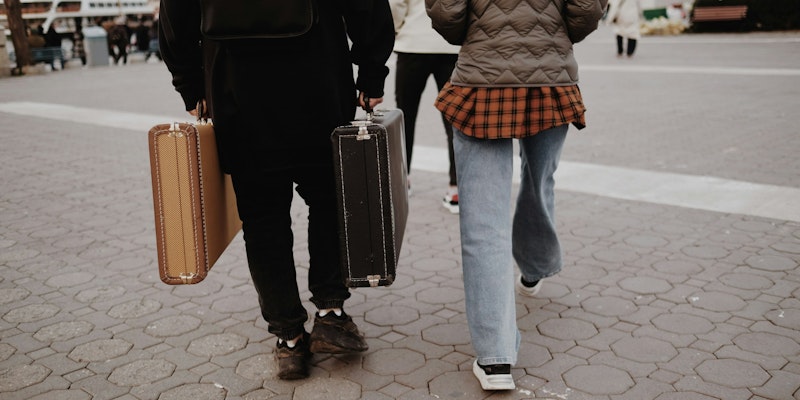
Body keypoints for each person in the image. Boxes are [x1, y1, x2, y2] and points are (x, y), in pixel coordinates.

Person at [159, 0, 395, 380]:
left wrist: (189, 85)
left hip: (234, 86)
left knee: (261, 214)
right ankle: (331, 314)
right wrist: (371, 74)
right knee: (327, 199)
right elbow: (367, 7)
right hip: (317, 77)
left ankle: (288, 337)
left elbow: (175, 17)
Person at [426, 0, 605, 391]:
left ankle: (496, 358)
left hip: (481, 82)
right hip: (551, 78)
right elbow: (587, 11)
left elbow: (446, 15)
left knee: (482, 220)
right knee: (539, 180)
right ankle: (535, 264)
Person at [389, 0, 460, 213]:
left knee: (405, 116)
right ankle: (456, 187)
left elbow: (396, 5)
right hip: (451, 45)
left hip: (413, 42)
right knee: (454, 120)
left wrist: (400, 30)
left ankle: (404, 180)